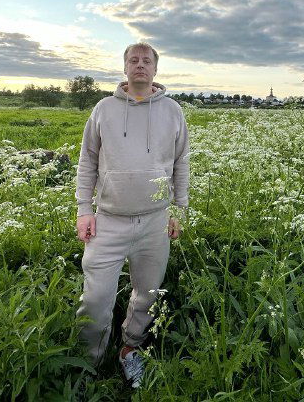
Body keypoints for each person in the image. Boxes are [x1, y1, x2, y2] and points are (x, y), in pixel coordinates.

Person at [74, 41, 189, 388]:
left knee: (148, 293)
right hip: (108, 220)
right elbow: (87, 160)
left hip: (155, 221)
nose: (140, 64)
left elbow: (181, 162)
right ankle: (89, 363)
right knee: (95, 299)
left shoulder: (172, 110)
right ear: (125, 68)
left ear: (155, 69)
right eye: (133, 60)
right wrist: (84, 209)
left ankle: (130, 348)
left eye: (146, 60)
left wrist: (179, 210)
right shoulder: (104, 108)